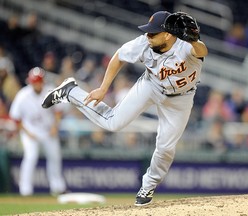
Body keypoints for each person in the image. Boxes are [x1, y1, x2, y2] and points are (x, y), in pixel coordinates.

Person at [42, 11, 208, 206]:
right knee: (113, 122)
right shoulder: (143, 43)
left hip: (181, 99)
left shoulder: (185, 46)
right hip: (151, 85)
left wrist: (195, 41)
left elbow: (202, 51)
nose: (148, 35)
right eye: (148, 31)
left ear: (168, 35)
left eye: (153, 33)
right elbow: (118, 56)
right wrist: (104, 88)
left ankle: (147, 187)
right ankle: (70, 92)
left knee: (166, 147)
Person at [9, 67, 67, 196]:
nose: (36, 84)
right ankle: (25, 190)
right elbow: (16, 118)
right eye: (34, 82)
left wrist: (55, 126)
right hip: (30, 131)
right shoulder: (23, 95)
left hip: (48, 130)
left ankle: (57, 187)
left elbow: (58, 111)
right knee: (30, 157)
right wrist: (27, 132)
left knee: (55, 157)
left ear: (43, 81)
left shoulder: (50, 91)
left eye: (38, 81)